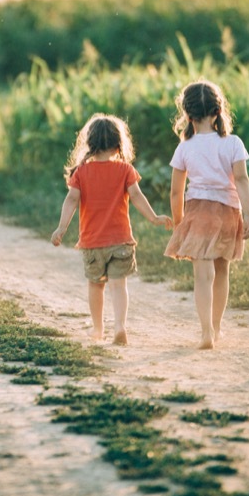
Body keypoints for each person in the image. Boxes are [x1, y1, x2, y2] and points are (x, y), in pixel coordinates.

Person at [51, 113, 173, 346]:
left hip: (92, 242)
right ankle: (120, 327)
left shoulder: (81, 173)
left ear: (90, 145)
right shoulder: (124, 170)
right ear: (119, 145)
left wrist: (61, 227)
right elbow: (137, 196)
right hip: (120, 241)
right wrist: (154, 217)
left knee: (96, 286)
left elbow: (70, 201)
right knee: (119, 285)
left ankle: (98, 330)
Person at [163, 81, 249, 350]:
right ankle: (217, 326)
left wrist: (180, 222)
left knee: (202, 276)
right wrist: (248, 215)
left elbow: (176, 192)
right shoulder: (233, 143)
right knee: (221, 271)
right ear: (218, 111)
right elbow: (242, 180)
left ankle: (205, 332)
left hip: (198, 213)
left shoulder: (185, 147)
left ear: (188, 116)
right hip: (227, 212)